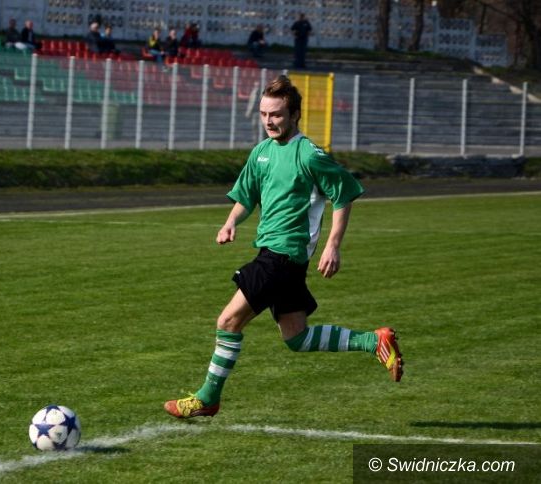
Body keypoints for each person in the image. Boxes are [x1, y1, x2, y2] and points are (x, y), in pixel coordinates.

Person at [164, 75, 404, 419]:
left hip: (282, 255)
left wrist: (333, 245)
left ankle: (207, 398)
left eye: (276, 114)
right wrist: (231, 221)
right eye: (264, 114)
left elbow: (344, 194)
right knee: (296, 337)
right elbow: (247, 196)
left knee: (228, 321)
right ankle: (374, 341)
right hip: (278, 257)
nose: (269, 121)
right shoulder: (261, 152)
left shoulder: (309, 154)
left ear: (295, 115)